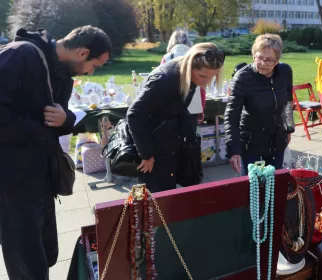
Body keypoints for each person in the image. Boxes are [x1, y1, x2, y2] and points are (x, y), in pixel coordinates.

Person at [0, 26, 111, 279]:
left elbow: (59, 117)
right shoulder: (21, 55)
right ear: (82, 53)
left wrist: (66, 118)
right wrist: (39, 131)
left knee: (46, 254)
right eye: (95, 65)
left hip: (41, 178)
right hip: (11, 183)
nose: (92, 72)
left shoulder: (62, 73)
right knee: (27, 265)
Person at [127, 43, 224, 192]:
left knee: (173, 195)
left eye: (211, 77)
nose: (205, 82)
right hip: (155, 147)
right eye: (202, 76)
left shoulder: (186, 74)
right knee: (159, 198)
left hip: (171, 141)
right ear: (190, 66)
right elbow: (135, 114)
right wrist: (147, 154)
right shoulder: (164, 80)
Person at [224, 34, 294, 176]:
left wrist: (288, 128)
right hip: (251, 142)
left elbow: (288, 101)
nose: (263, 63)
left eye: (269, 60)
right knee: (253, 187)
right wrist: (234, 149)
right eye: (259, 57)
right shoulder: (242, 77)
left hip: (276, 139)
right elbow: (231, 115)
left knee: (274, 183)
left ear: (277, 60)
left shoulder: (285, 72)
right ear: (253, 55)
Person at [161, 30, 206, 131]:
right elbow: (202, 85)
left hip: (170, 105)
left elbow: (160, 83)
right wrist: (201, 108)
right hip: (193, 104)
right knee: (191, 136)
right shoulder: (196, 58)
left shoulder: (166, 58)